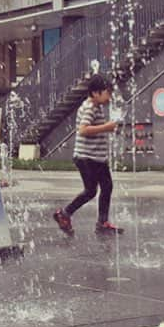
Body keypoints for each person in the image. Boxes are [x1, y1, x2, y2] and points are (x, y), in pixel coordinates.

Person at [53, 74, 123, 236]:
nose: (110, 96)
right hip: (88, 158)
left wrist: (109, 128)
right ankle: (72, 215)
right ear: (96, 93)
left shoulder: (95, 107)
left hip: (94, 157)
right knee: (95, 189)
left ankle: (93, 220)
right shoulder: (90, 107)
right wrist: (106, 127)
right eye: (108, 92)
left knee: (102, 188)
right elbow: (83, 130)